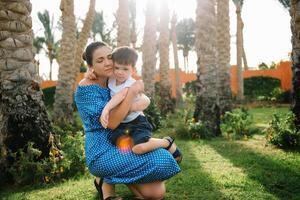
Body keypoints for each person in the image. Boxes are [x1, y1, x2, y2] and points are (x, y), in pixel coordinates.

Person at [74, 41, 182, 200]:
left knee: (156, 194)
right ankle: (106, 182)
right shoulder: (86, 90)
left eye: (109, 57)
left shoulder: (114, 78)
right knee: (163, 158)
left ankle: (110, 178)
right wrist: (131, 95)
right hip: (102, 149)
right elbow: (111, 122)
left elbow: (143, 97)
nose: (108, 63)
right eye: (100, 60)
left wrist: (139, 99)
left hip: (124, 140)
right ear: (90, 65)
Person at [100, 46, 183, 159]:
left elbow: (120, 96)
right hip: (121, 124)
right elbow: (98, 72)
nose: (119, 72)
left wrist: (106, 109)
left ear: (133, 70)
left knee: (138, 148)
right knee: (115, 141)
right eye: (117, 68)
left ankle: (166, 142)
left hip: (137, 122)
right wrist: (90, 71)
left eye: (125, 69)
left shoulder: (131, 83)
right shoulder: (111, 79)